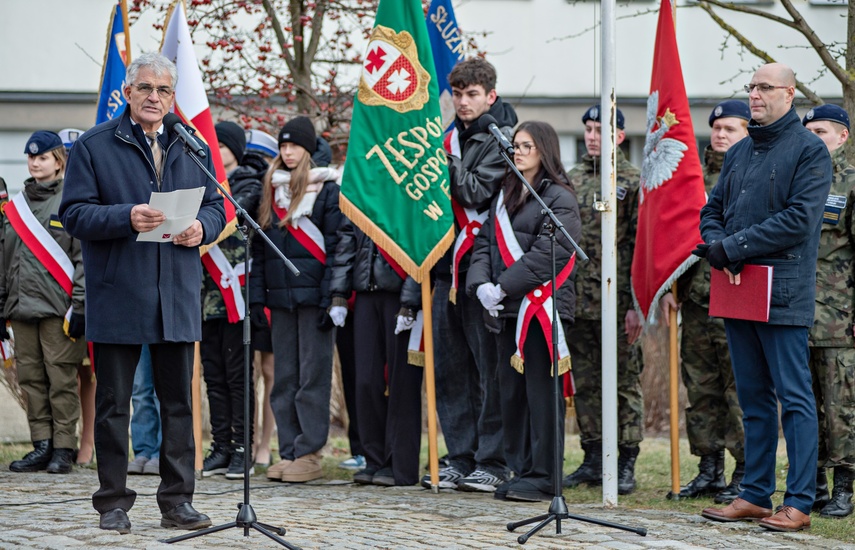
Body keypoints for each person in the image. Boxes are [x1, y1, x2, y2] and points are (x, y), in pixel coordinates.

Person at [60, 52, 225, 534]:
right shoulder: (94, 146)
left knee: (179, 404)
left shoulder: (190, 144)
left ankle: (178, 501)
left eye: (164, 91)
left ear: (174, 97)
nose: (155, 98)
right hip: (119, 291)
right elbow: (74, 215)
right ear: (128, 93)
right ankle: (112, 502)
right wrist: (125, 216)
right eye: (146, 89)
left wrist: (201, 227)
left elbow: (216, 205)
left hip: (174, 291)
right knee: (115, 404)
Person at [698, 63, 831, 532]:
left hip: (784, 291)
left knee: (794, 398)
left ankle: (797, 501)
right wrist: (716, 244)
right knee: (752, 395)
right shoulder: (740, 150)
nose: (754, 94)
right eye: (751, 87)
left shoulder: (811, 151)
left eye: (764, 87)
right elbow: (712, 209)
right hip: (739, 286)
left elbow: (798, 220)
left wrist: (731, 247)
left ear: (789, 94)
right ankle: (754, 494)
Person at [466, 120, 582, 502]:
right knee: (510, 395)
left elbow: (550, 253)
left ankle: (545, 475)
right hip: (505, 311)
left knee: (540, 396)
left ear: (545, 150)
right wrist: (482, 284)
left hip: (541, 311)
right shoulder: (506, 193)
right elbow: (484, 243)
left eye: (527, 146)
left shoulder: (559, 197)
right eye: (515, 145)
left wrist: (503, 285)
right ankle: (522, 469)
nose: (518, 151)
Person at [424, 57, 517, 493]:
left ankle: (493, 460)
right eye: (457, 94)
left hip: (484, 271)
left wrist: (439, 161)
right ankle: (460, 456)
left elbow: (475, 191)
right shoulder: (448, 139)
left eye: (472, 94)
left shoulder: (503, 139)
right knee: (450, 369)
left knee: (488, 370)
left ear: (490, 96)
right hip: (445, 268)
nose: (463, 102)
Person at [659, 100, 749, 502]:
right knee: (701, 389)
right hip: (696, 300)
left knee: (741, 391)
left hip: (739, 296)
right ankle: (709, 467)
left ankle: (746, 471)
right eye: (716, 128)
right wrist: (668, 288)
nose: (720, 134)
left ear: (747, 131)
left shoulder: (756, 173)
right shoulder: (691, 178)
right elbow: (674, 238)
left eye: (730, 128)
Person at [249, 116, 342, 483]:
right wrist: (257, 298)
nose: (287, 152)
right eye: (283, 146)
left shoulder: (327, 189)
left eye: (294, 146)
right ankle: (288, 451)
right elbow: (260, 248)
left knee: (312, 378)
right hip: (280, 299)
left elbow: (336, 246)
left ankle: (310, 453)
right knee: (285, 378)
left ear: (307, 149)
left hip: (315, 299)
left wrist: (332, 296)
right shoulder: (271, 190)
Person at [563, 104, 644, 495]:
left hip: (618, 302)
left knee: (625, 381)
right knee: (586, 382)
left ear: (621, 137)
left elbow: (640, 248)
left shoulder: (633, 180)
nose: (594, 136)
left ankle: (626, 460)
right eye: (589, 129)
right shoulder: (571, 179)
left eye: (602, 130)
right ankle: (593, 457)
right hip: (579, 300)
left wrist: (635, 305)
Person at [3, 131, 86, 475]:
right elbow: (4, 259)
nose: (35, 163)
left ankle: (64, 448)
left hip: (58, 309)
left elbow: (83, 258)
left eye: (43, 157)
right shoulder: (15, 207)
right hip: (20, 308)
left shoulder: (72, 201)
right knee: (31, 379)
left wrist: (80, 305)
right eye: (31, 158)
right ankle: (41, 444)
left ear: (58, 161)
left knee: (61, 378)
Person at [330, 222, 422, 486]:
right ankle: (374, 459)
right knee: (366, 380)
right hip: (365, 291)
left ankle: (400, 464)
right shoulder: (363, 184)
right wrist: (338, 292)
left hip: (400, 292)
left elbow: (420, 240)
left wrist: (411, 299)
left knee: (401, 380)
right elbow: (348, 238)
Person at [198, 121, 260, 480]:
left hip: (235, 296)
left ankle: (242, 448)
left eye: (220, 145)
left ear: (235, 151)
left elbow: (231, 218)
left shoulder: (248, 184)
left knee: (239, 378)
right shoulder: (199, 185)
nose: (214, 150)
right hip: (205, 298)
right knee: (214, 377)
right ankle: (221, 445)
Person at [802, 103, 855, 518]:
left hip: (839, 317)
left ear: (843, 137)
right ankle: (812, 482)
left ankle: (843, 487)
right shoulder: (797, 180)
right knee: (805, 403)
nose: (813, 137)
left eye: (822, 131)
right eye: (809, 131)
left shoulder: (851, 183)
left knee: (841, 404)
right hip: (795, 312)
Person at [59, 126, 97, 468]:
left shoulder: (90, 190)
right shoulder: (48, 196)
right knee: (63, 375)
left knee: (89, 374)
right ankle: (62, 443)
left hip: (84, 299)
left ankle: (89, 442)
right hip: (53, 301)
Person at [241, 128, 278, 469]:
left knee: (269, 369)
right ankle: (247, 442)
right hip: (235, 286)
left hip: (265, 286)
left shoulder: (270, 191)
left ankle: (266, 443)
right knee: (247, 373)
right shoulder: (233, 185)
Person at [127, 345, 161, 476]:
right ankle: (143, 451)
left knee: (161, 391)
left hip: (164, 327)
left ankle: (161, 453)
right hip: (138, 328)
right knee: (140, 389)